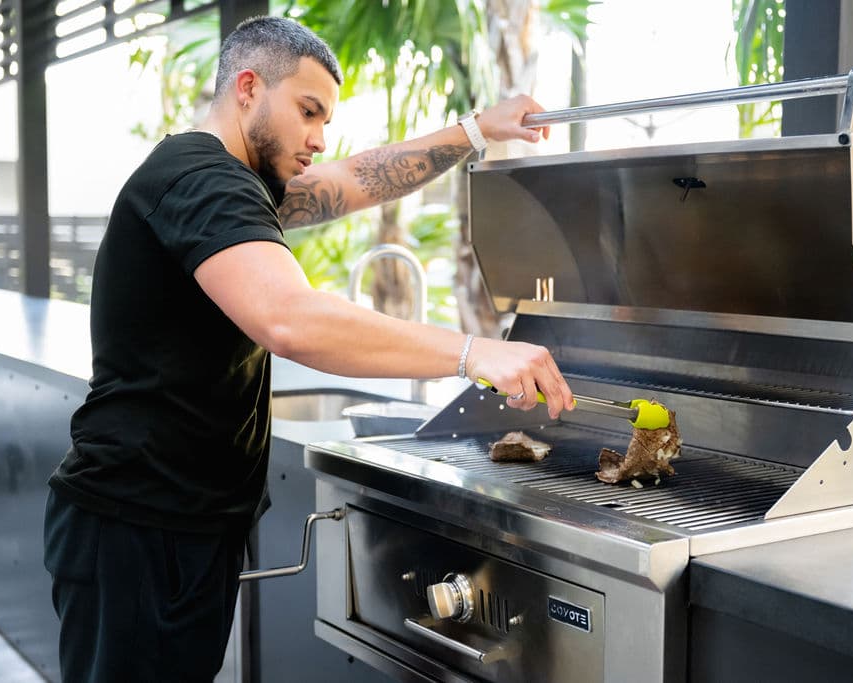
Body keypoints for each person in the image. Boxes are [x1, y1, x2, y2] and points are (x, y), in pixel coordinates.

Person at [42, 15, 573, 682]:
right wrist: (472, 351)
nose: (320, 137)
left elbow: (357, 178)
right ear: (246, 88)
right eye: (307, 111)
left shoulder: (233, 178)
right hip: (138, 529)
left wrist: (476, 130)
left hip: (173, 525)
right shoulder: (199, 177)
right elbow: (290, 318)